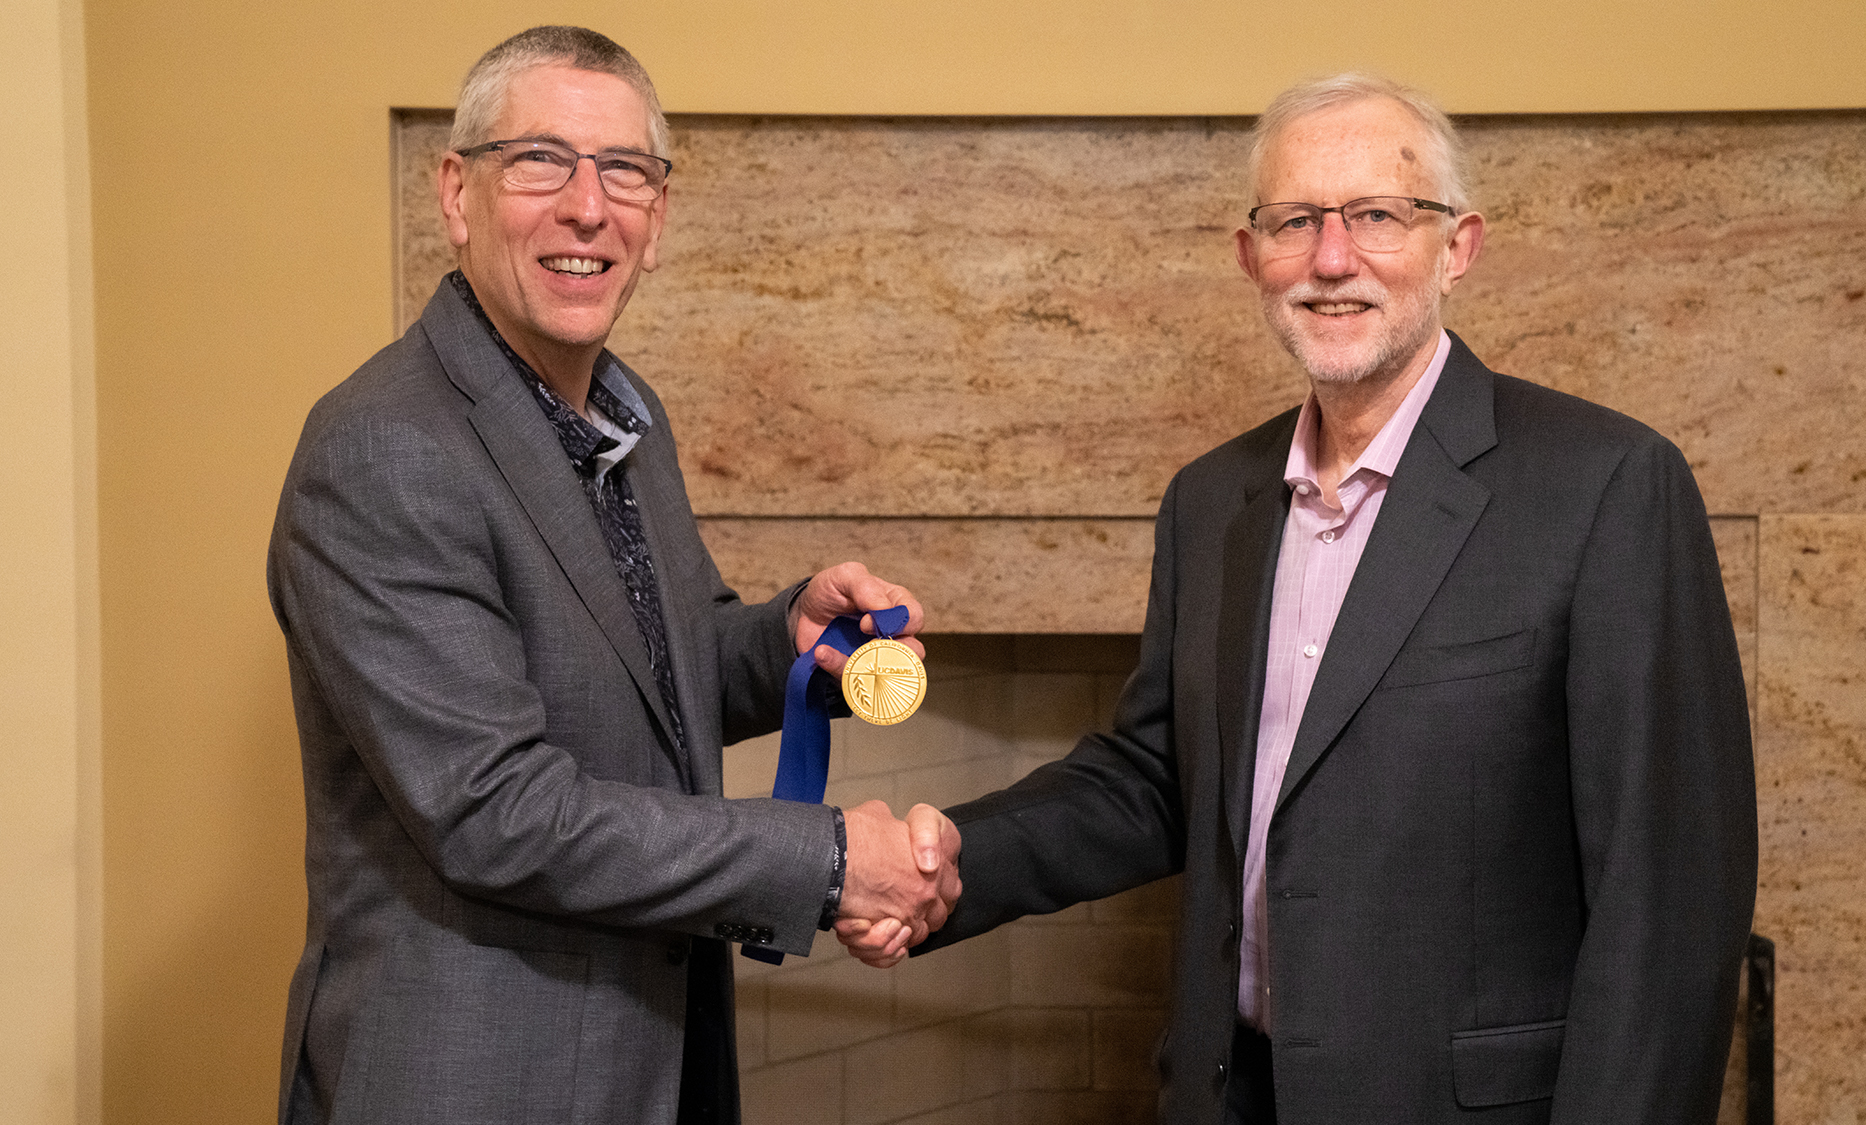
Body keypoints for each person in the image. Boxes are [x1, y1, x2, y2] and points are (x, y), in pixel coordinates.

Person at [839, 74, 1757, 1124]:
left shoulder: (1604, 486)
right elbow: (1156, 781)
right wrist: (953, 863)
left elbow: (1670, 903)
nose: (1331, 258)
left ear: (1456, 246)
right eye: (1294, 222)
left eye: (1375, 215)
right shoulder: (1210, 502)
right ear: (1249, 257)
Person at [267, 26, 956, 1125]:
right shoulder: (383, 449)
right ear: (456, 194)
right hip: (477, 1079)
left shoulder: (622, 414)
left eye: (625, 170)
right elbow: (500, 812)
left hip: (652, 1061)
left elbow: (647, 675)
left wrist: (788, 642)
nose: (588, 206)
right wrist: (827, 861)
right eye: (539, 159)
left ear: (659, 216)